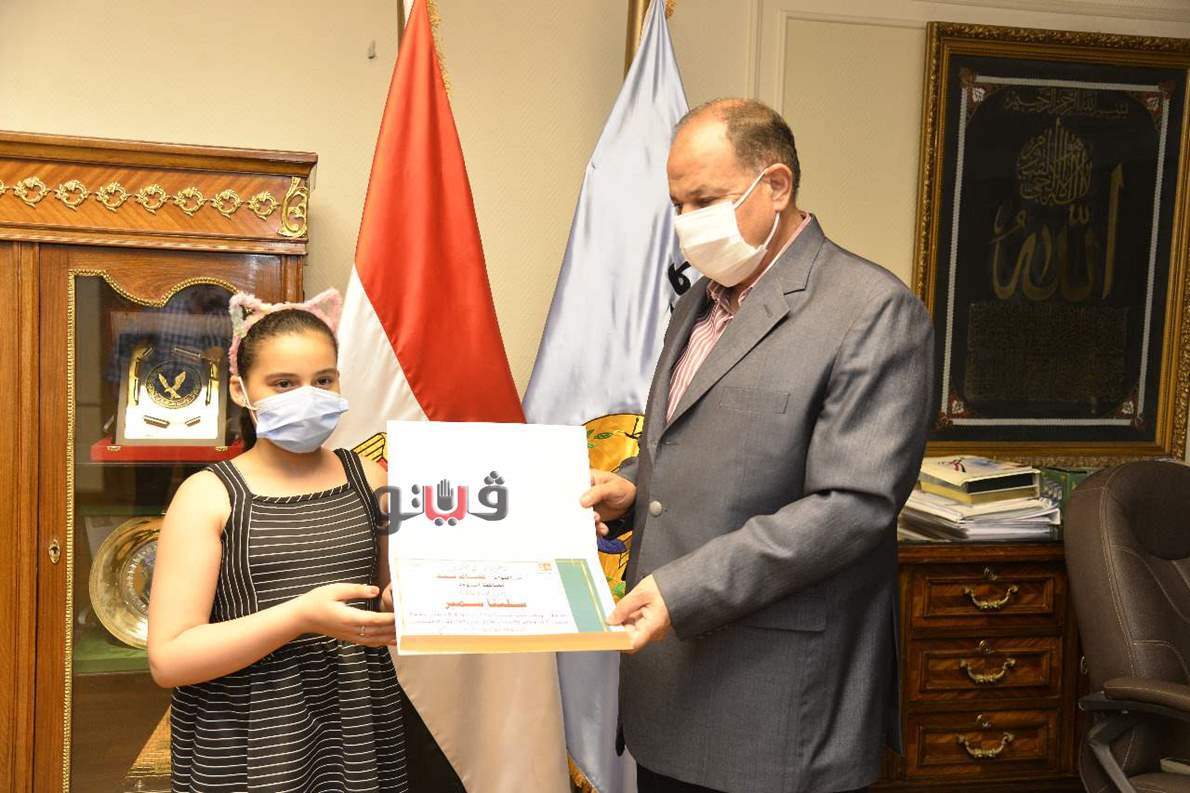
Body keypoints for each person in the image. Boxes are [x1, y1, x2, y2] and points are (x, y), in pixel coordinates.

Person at [582, 98, 935, 793]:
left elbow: (850, 507)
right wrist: (633, 486)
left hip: (774, 708)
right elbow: (701, 440)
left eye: (705, 200)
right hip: (668, 693)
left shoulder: (872, 311)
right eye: (678, 204)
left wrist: (682, 590)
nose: (686, 222)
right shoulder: (699, 300)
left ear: (775, 186)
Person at [147, 289, 408, 792]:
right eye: (284, 383)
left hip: (356, 726)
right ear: (240, 389)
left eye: (323, 380)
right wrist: (300, 617)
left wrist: (405, 604)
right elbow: (169, 659)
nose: (308, 396)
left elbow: (382, 595)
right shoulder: (208, 496)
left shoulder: (370, 478)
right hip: (248, 737)